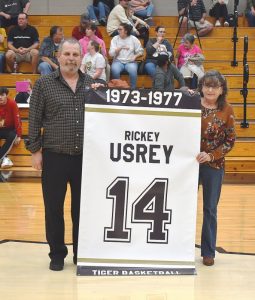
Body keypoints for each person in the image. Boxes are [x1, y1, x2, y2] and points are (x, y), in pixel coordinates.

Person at [26, 38, 101, 271]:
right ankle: (57, 254)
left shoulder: (92, 85)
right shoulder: (44, 84)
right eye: (67, 54)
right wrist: (35, 150)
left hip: (85, 159)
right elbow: (34, 117)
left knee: (82, 209)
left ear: (82, 58)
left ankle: (82, 253)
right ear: (58, 57)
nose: (71, 59)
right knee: (53, 208)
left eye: (75, 55)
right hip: (54, 156)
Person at [196, 70, 236, 266]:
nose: (210, 89)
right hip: (189, 164)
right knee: (182, 205)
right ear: (201, 87)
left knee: (210, 208)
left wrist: (211, 155)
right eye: (207, 85)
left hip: (214, 164)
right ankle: (178, 248)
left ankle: (208, 251)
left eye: (215, 86)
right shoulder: (190, 103)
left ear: (222, 90)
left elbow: (230, 140)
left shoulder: (227, 110)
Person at [109, 22, 143, 89]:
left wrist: (135, 56)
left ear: (126, 31)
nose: (118, 30)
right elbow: (111, 54)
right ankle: (118, 89)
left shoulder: (133, 39)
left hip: (130, 61)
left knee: (133, 70)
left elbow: (141, 51)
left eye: (120, 29)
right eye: (118, 29)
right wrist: (118, 50)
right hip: (117, 61)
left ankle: (132, 90)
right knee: (114, 70)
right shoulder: (115, 39)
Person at [0, 87, 22, 168]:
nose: (0, 97)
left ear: (6, 95)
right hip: (1, 129)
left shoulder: (12, 103)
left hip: (11, 129)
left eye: (2, 95)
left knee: (12, 135)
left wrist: (19, 135)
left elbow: (17, 120)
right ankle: (4, 158)